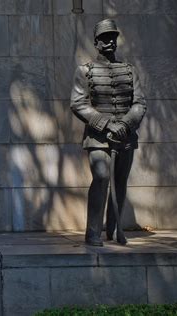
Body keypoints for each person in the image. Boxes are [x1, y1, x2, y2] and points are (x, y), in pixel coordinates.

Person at [70, 19, 146, 246]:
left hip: (125, 136)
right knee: (102, 177)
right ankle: (93, 232)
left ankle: (113, 230)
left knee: (120, 182)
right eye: (104, 38)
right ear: (96, 43)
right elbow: (78, 103)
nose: (110, 41)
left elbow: (139, 103)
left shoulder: (130, 71)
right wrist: (106, 124)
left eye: (113, 37)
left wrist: (125, 124)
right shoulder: (84, 71)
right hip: (97, 136)